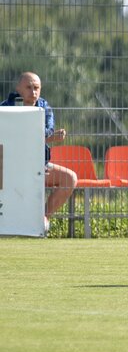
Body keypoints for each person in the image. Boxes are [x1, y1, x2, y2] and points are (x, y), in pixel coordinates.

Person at [1, 72, 77, 232]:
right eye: (28, 87)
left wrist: (45, 138)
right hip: (7, 167)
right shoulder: (5, 108)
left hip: (37, 166)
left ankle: (42, 219)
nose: (33, 92)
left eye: (36, 88)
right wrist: (48, 138)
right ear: (18, 89)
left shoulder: (45, 108)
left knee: (70, 178)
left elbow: (47, 131)